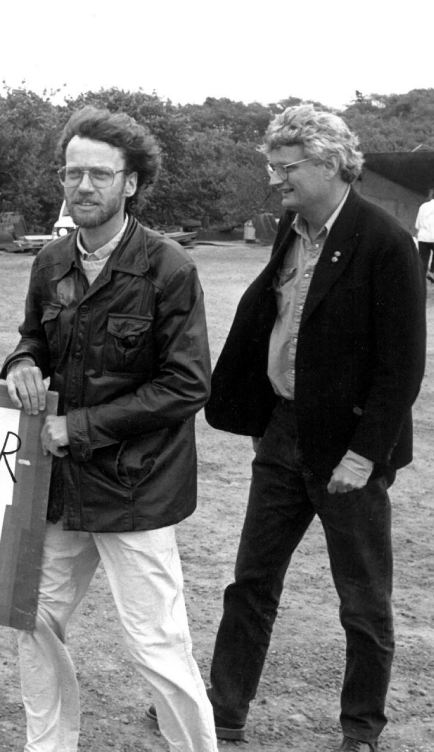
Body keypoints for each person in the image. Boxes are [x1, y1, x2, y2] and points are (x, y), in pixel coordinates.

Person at [202, 105, 426, 752]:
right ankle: (223, 715)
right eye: (273, 167)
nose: (276, 180)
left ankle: (361, 731)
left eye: (287, 167)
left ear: (329, 163)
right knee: (251, 583)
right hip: (281, 434)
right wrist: (260, 415)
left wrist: (362, 456)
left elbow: (401, 368)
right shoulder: (291, 230)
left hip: (348, 454)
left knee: (362, 602)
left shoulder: (387, 243)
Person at [3, 105, 218, 752]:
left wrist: (80, 427)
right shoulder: (51, 262)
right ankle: (49, 746)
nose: (83, 187)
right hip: (62, 487)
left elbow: (186, 385)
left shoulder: (168, 269)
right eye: (73, 173)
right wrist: (20, 366)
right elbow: (33, 340)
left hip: (137, 489)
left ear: (131, 182)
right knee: (32, 617)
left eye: (100, 174)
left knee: (158, 645)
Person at [415, 187, 434, 281]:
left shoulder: (423, 206)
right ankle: (432, 272)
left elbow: (417, 224)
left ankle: (420, 278)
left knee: (423, 258)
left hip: (423, 237)